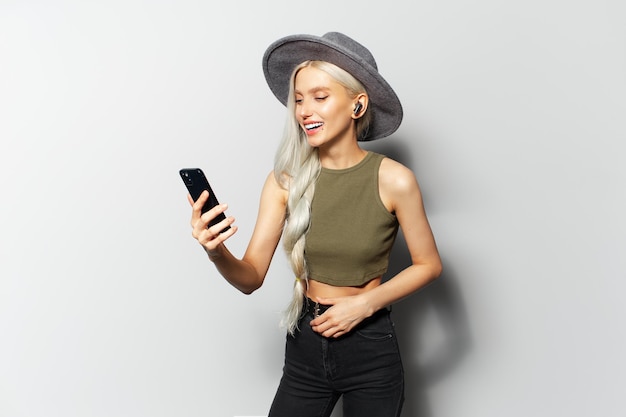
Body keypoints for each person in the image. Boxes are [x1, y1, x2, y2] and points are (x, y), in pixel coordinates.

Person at [188, 32, 442, 417]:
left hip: (370, 347)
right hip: (304, 344)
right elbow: (250, 278)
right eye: (300, 99)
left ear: (357, 105)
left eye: (320, 97)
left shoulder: (394, 180)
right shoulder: (283, 182)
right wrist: (215, 251)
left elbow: (429, 264)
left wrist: (363, 305)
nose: (304, 110)